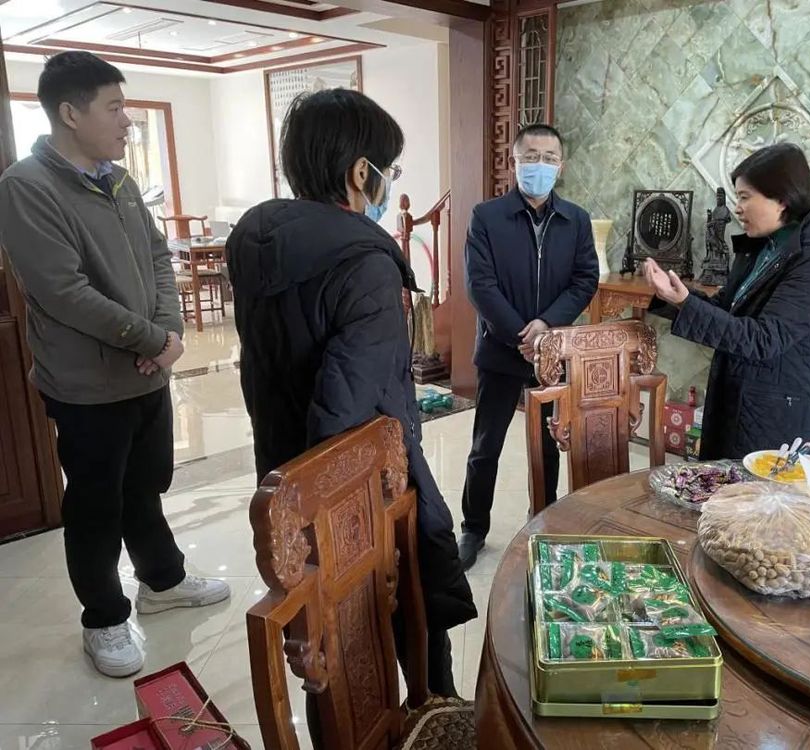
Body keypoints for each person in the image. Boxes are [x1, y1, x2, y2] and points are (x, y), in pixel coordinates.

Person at [225, 89, 476, 714]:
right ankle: (434, 720)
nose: (391, 182)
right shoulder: (363, 263)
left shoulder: (257, 242)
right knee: (399, 618)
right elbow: (347, 413)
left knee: (328, 649)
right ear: (362, 172)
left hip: (285, 468)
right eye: (390, 169)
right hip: (354, 492)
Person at [0, 51, 230, 678]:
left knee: (145, 485)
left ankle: (163, 582)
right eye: (116, 107)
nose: (128, 121)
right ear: (70, 113)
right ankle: (102, 617)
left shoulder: (120, 182)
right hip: (86, 382)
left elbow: (158, 259)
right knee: (96, 503)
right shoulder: (27, 187)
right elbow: (61, 291)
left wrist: (169, 332)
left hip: (145, 370)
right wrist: (150, 339)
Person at [644, 143, 810, 459]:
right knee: (721, 485)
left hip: (776, 414)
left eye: (745, 197)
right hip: (739, 396)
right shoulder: (765, 245)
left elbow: (765, 339)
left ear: (782, 198)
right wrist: (677, 297)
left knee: (752, 490)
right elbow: (726, 308)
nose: (737, 209)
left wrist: (686, 303)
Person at [459, 124, 599, 571]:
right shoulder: (487, 217)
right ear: (513, 162)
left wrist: (547, 328)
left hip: (551, 354)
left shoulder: (575, 220)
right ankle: (473, 527)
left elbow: (585, 280)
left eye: (549, 157)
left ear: (561, 165)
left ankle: (542, 519)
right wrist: (522, 334)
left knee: (546, 445)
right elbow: (480, 285)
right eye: (531, 156)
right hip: (502, 350)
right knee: (486, 445)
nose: (540, 164)